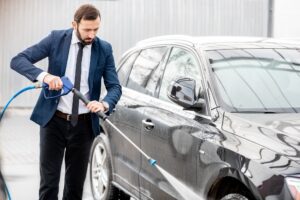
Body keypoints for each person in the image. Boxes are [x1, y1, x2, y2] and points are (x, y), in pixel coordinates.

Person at [10, 4, 121, 200]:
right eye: (87, 29)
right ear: (74, 24)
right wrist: (45, 76)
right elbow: (18, 60)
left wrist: (103, 104)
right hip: (53, 121)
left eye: (96, 29)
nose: (92, 34)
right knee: (49, 185)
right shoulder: (56, 39)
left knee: (75, 187)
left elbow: (115, 87)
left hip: (84, 126)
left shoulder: (104, 49)